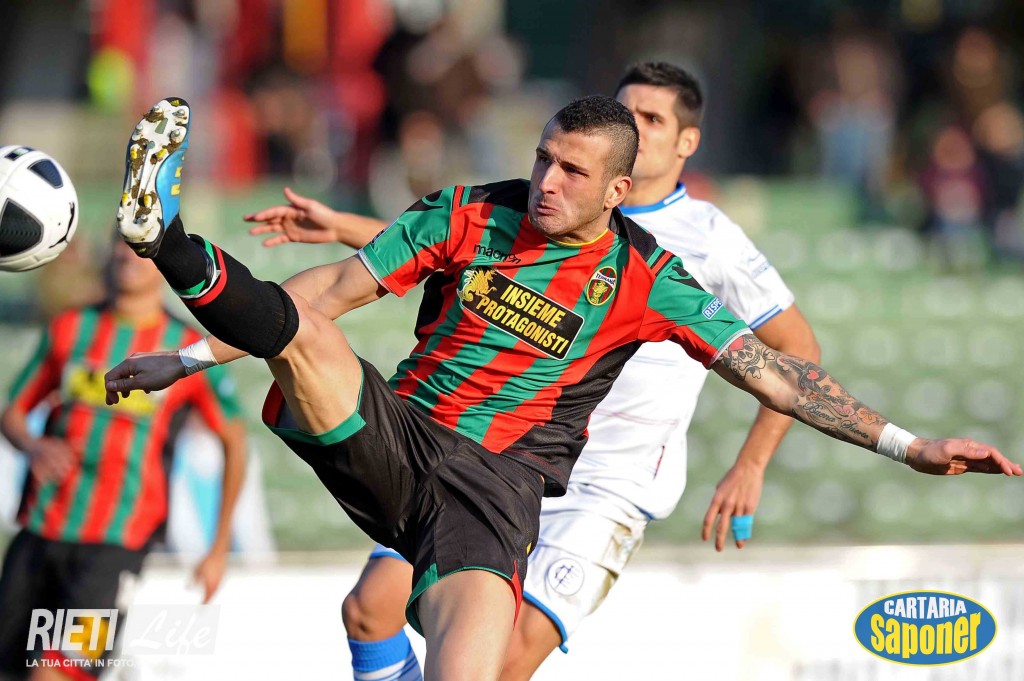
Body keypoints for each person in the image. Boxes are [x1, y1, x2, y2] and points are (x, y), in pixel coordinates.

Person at [104, 94, 1019, 681]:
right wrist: (188, 359)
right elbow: (330, 289)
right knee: (306, 336)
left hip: (492, 492)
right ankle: (166, 236)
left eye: (572, 171)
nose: (546, 180)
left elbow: (778, 376)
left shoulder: (649, 278)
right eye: (544, 157)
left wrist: (910, 446)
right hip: (400, 433)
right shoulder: (469, 211)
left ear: (617, 188)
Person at [245, 62, 822, 680]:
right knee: (368, 612)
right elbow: (467, 248)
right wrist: (347, 229)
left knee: (501, 662)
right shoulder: (558, 203)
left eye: (653, 119)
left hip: (605, 483)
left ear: (686, 143)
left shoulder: (708, 240)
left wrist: (751, 464)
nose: (636, 126)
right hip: (500, 454)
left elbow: (797, 348)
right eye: (627, 112)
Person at [0, 240, 247, 680]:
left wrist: (219, 547)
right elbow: (13, 412)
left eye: (139, 248)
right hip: (41, 529)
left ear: (164, 262)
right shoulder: (71, 327)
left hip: (117, 546)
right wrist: (33, 446)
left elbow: (235, 439)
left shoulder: (185, 350)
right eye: (119, 243)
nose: (124, 255)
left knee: (59, 672)